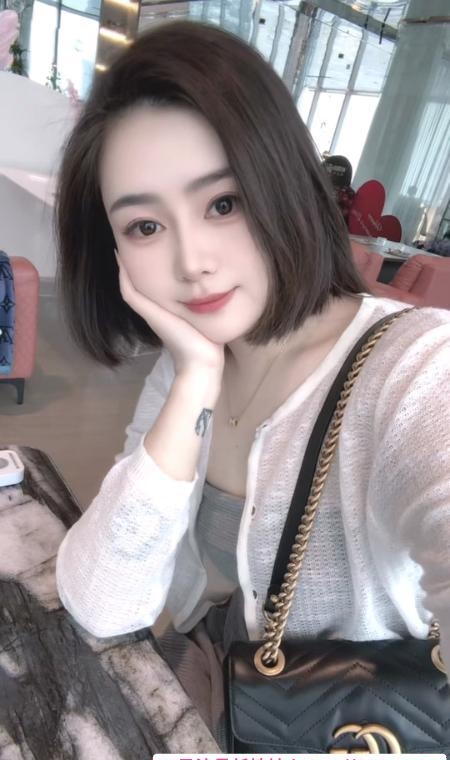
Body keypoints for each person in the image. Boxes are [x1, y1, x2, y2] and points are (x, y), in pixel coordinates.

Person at [55, 20, 450, 748]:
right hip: (200, 705)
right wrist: (195, 381)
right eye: (144, 227)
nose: (192, 262)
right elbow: (103, 603)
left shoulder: (416, 368)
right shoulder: (191, 361)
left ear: (282, 183)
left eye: (223, 203)